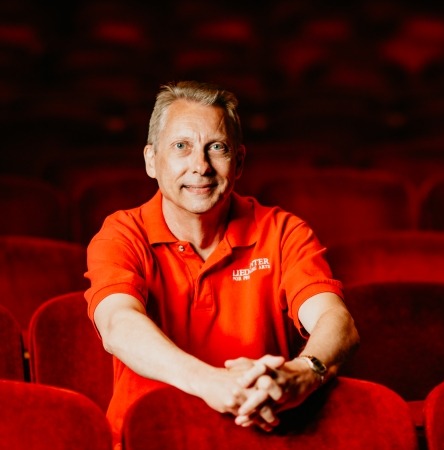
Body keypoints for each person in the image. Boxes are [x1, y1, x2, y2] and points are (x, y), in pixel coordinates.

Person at [85, 80, 359, 449]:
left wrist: (302, 372)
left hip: (261, 436)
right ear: (152, 160)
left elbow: (336, 321)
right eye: (181, 146)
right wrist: (211, 383)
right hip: (149, 438)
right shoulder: (121, 233)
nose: (200, 166)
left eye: (217, 147)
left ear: (239, 161)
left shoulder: (282, 231)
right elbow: (119, 325)